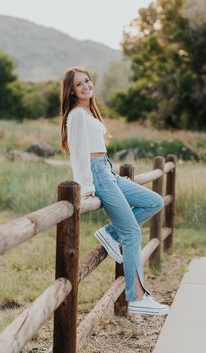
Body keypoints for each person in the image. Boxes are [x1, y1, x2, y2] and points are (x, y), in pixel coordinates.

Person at [60, 66, 169, 316]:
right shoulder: (76, 115)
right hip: (98, 175)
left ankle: (109, 233)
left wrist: (108, 175)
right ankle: (137, 297)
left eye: (87, 80)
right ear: (71, 91)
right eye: (79, 84)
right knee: (131, 233)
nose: (86, 85)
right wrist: (86, 188)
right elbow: (78, 154)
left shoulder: (89, 112)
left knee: (154, 201)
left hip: (108, 172)